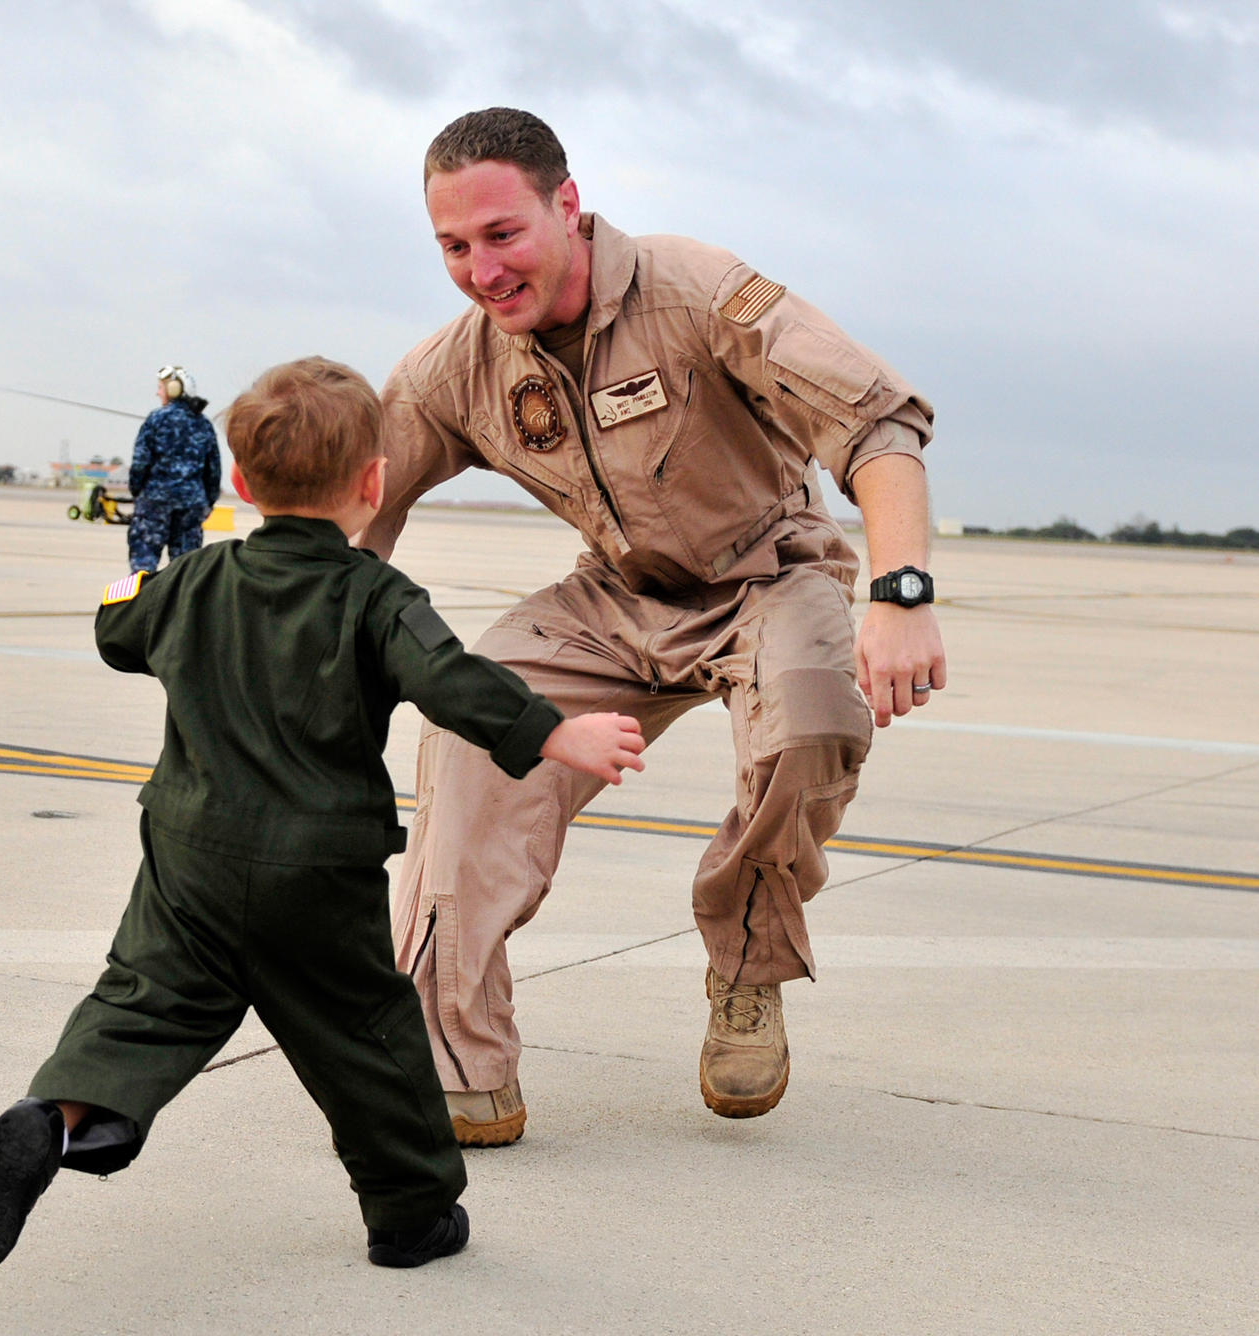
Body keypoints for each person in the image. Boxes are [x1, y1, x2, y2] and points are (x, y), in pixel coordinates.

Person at [0, 357, 645, 1274]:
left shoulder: (196, 581)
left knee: (143, 1004)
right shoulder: (375, 595)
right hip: (314, 873)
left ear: (240, 483)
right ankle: (410, 1215)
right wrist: (555, 733)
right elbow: (449, 680)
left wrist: (140, 599)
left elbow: (116, 631)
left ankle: (57, 1116)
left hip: (188, 856)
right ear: (371, 483)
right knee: (365, 1038)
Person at [367, 108, 944, 1145]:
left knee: (811, 721)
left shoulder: (692, 289)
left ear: (568, 205)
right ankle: (458, 1060)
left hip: (768, 569)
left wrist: (902, 593)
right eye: (453, 246)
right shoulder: (455, 368)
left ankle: (746, 964)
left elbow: (874, 422)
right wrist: (297, 635)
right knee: (465, 722)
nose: (481, 270)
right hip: (613, 598)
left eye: (502, 235)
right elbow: (362, 502)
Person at [125, 365, 220, 573]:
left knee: (143, 564)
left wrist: (137, 493)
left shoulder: (156, 419)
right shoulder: (204, 424)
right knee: (186, 570)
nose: (158, 392)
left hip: (154, 503)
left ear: (175, 389)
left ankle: (142, 605)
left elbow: (140, 463)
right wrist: (207, 502)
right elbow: (213, 471)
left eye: (161, 387)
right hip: (191, 506)